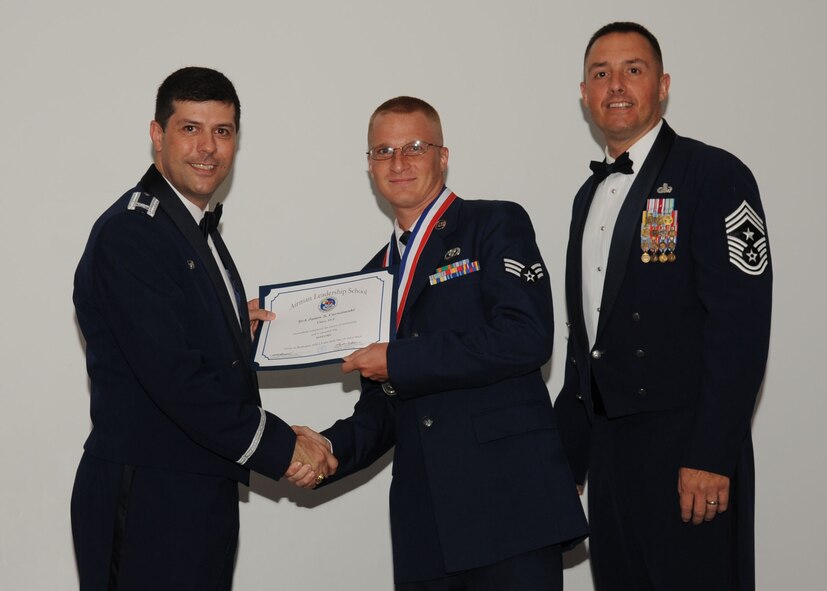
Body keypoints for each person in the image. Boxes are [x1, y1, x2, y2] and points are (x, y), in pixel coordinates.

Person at [291, 96, 587, 590]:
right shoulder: (372, 280)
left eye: (414, 147)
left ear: (443, 156)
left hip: (509, 505)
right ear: (369, 167)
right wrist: (324, 451)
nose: (399, 163)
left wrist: (400, 359)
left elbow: (526, 337)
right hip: (425, 521)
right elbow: (383, 406)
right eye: (383, 152)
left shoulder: (495, 224)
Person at [71, 66, 336, 590]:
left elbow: (181, 337)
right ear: (157, 135)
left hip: (196, 488)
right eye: (190, 128)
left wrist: (237, 327)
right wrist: (283, 447)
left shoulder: (188, 225)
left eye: (223, 131)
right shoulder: (133, 233)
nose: (207, 148)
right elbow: (177, 379)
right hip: (149, 496)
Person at [554, 22, 772, 590]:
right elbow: (586, 348)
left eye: (634, 69)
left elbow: (740, 326)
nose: (616, 85)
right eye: (601, 74)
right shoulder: (586, 198)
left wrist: (711, 453)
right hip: (610, 458)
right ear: (584, 93)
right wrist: (561, 463)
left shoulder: (715, 175)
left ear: (663, 85)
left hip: (687, 453)